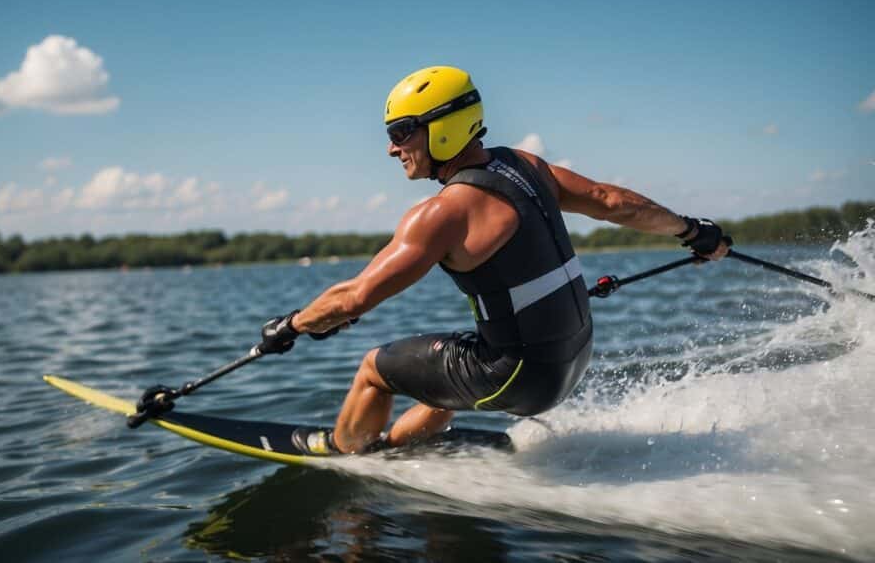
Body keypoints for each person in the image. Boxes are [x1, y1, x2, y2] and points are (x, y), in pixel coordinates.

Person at [258, 66, 730, 455]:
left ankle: (348, 452)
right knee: (453, 358)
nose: (391, 147)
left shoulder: (443, 213)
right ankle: (405, 448)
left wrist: (293, 325)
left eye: (401, 132)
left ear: (441, 127)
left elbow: (356, 296)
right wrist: (693, 230)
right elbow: (612, 200)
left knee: (372, 370)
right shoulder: (527, 166)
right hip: (574, 359)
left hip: (519, 378)